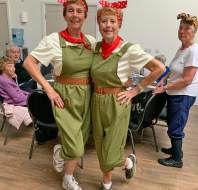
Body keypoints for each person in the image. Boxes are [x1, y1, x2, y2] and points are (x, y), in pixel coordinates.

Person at [91, 1, 165, 190]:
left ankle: (106, 182)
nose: (108, 25)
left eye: (112, 21)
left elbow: (159, 68)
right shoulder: (95, 48)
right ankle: (127, 163)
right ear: (98, 24)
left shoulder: (129, 49)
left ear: (119, 24)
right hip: (96, 100)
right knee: (100, 142)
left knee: (111, 146)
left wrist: (135, 89)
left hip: (117, 102)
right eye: (103, 21)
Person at [23, 0, 96, 189]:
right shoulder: (53, 40)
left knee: (81, 138)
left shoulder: (91, 42)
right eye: (70, 11)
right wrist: (49, 89)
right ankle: (66, 170)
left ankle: (64, 164)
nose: (75, 15)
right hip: (64, 96)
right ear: (64, 15)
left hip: (86, 95)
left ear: (85, 16)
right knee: (77, 147)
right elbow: (29, 63)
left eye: (80, 11)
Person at [154, 12, 198, 168]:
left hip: (183, 95)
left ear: (194, 32)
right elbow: (171, 70)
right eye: (180, 27)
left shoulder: (193, 51)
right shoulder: (182, 49)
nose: (182, 31)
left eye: (187, 29)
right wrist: (162, 80)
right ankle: (174, 149)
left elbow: (187, 80)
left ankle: (177, 159)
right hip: (175, 93)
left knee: (176, 125)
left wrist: (164, 87)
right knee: (174, 121)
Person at [0, 57, 32, 129]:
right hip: (13, 102)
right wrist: (30, 98)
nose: (13, 68)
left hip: (16, 99)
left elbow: (18, 90)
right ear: (2, 68)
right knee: (40, 102)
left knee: (33, 94)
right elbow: (17, 98)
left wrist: (29, 95)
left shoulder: (6, 77)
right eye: (9, 66)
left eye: (13, 66)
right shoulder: (4, 80)